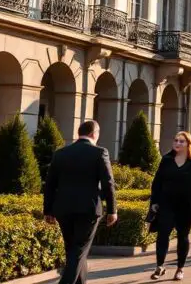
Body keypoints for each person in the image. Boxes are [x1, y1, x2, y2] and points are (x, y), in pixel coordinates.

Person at [43, 120, 117, 284]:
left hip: (63, 209)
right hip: (88, 209)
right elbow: (108, 183)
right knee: (78, 252)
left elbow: (49, 184)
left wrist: (48, 210)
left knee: (74, 251)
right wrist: (113, 210)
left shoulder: (60, 153)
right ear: (94, 134)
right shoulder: (100, 152)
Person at [148, 131, 191, 281]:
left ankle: (180, 269)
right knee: (163, 234)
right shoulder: (166, 160)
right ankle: (159, 266)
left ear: (189, 144)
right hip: (166, 203)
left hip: (187, 205)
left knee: (182, 236)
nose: (177, 143)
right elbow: (157, 183)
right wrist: (155, 202)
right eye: (176, 140)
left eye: (182, 141)